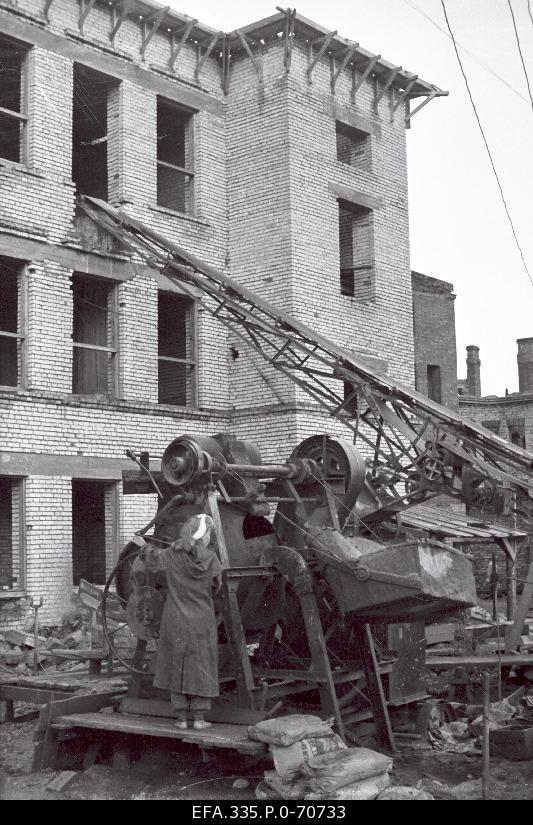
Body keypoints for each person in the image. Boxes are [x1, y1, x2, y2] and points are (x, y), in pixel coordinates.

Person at [153, 513, 222, 729]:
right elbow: (217, 587)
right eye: (209, 533)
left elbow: (151, 559)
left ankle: (181, 719)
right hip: (201, 620)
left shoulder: (171, 554)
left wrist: (143, 547)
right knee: (201, 665)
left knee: (176, 664)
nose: (210, 537)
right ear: (203, 535)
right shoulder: (210, 558)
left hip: (174, 618)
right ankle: (200, 719)